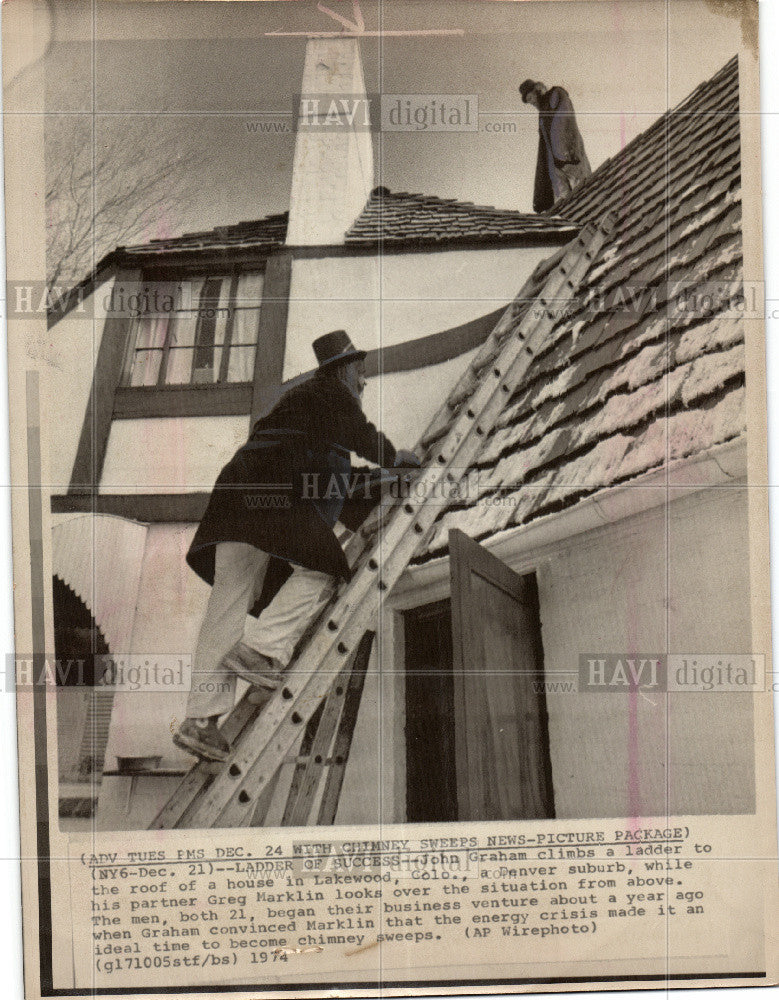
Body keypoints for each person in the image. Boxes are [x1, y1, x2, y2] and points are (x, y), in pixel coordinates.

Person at [174, 330, 420, 762]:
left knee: (228, 604)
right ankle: (263, 651)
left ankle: (200, 721)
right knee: (327, 569)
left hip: (239, 504)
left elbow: (342, 487)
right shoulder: (325, 392)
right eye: (360, 373)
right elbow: (363, 436)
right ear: (344, 371)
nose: (364, 383)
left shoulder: (314, 427)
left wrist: (388, 481)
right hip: (267, 501)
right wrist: (395, 456)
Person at [519, 79, 591, 213]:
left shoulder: (556, 94)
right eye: (529, 101)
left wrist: (562, 154)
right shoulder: (542, 115)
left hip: (570, 158)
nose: (532, 103)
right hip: (556, 165)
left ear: (537, 90)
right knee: (562, 206)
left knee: (583, 194)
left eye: (531, 98)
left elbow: (564, 122)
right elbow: (544, 143)